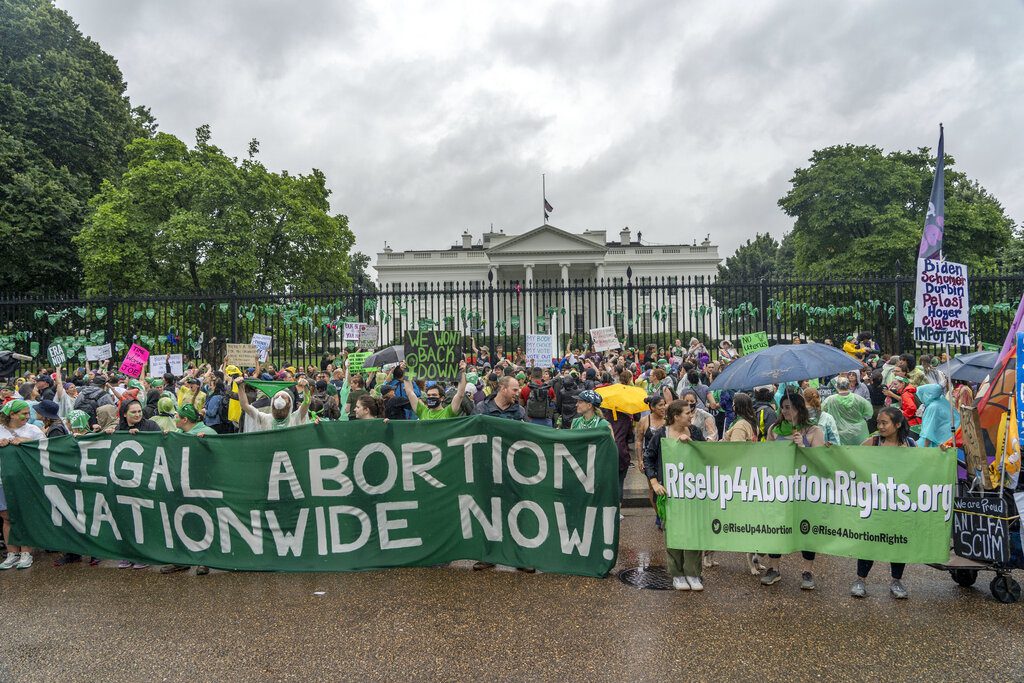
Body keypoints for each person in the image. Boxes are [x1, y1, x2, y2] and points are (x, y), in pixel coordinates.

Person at [761, 391, 824, 589]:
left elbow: (822, 460)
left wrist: (804, 445)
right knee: (776, 526)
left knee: (806, 528)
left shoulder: (814, 431)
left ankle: (807, 571)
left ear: (799, 408)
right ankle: (774, 568)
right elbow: (766, 456)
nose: (784, 411)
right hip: (781, 488)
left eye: (789, 407)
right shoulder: (774, 429)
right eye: (783, 407)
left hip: (805, 489)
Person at [852, 407, 916, 599]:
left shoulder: (911, 444)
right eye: (878, 422)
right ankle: (860, 580)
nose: (880, 426)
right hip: (875, 504)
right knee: (869, 542)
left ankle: (896, 581)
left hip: (898, 504)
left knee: (898, 542)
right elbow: (849, 458)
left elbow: (925, 465)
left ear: (897, 424)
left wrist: (941, 453)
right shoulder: (872, 443)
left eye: (884, 423)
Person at [644, 399, 706, 590]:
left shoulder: (694, 431)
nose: (691, 415)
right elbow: (649, 457)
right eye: (687, 413)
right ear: (676, 416)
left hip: (692, 490)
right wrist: (654, 482)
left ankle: (693, 573)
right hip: (670, 492)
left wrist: (692, 444)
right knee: (673, 532)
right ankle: (677, 574)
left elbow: (706, 454)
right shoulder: (661, 434)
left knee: (693, 531)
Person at [0, 399, 43, 569]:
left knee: (24, 515)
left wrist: (27, 442)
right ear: (12, 414)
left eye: (28, 413)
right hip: (2, 480)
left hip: (25, 479)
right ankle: (12, 553)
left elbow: (46, 448)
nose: (28, 416)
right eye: (24, 413)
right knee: (6, 516)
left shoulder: (33, 430)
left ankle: (26, 553)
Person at [635, 394, 667, 529]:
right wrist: (640, 459)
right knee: (652, 488)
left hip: (666, 458)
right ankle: (659, 514)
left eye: (664, 404)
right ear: (652, 408)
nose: (664, 407)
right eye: (660, 405)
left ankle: (667, 514)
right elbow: (638, 441)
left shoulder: (668, 419)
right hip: (651, 460)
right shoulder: (644, 421)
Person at [238, 378, 311, 432]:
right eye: (276, 397)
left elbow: (306, 402)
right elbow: (245, 405)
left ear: (289, 403)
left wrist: (306, 387)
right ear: (272, 402)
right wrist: (240, 387)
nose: (279, 398)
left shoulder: (295, 418)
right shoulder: (265, 418)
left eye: (283, 397)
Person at [821, 377, 873, 445]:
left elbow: (821, 412)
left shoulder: (830, 400)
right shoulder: (859, 399)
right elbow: (869, 413)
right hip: (858, 433)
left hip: (839, 434)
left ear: (836, 386)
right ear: (849, 386)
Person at [917, 383, 959, 448]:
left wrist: (925, 449)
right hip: (951, 438)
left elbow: (928, 431)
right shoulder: (942, 401)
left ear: (927, 395)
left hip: (940, 443)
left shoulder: (933, 407)